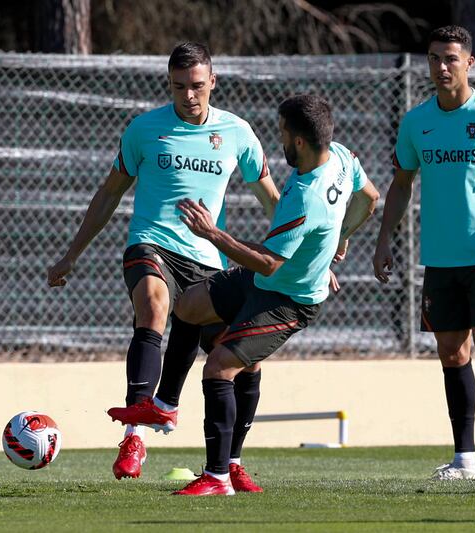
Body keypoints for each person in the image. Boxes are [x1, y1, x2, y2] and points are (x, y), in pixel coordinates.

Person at [47, 42, 279, 480]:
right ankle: (134, 434)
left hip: (208, 261)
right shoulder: (144, 129)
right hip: (151, 246)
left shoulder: (237, 133)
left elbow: (271, 199)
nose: (188, 96)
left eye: (196, 86)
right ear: (168, 84)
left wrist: (306, 249)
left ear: (213, 81)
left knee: (245, 360)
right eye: (178, 87)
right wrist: (71, 253)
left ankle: (232, 463)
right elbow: (109, 194)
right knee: (153, 305)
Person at [151, 94, 379, 496]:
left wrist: (213, 234)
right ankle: (166, 406)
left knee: (220, 367)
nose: (280, 142)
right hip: (267, 282)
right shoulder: (341, 156)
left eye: (282, 135)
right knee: (187, 305)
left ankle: (219, 475)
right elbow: (370, 198)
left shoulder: (305, 196)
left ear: (300, 142)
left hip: (289, 298)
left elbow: (268, 263)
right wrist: (338, 239)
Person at [373, 25, 475, 481]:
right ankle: (465, 459)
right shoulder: (416, 122)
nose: (441, 67)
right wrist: (384, 237)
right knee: (452, 352)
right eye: (433, 58)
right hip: (440, 259)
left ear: (469, 63)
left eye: (450, 58)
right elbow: (402, 183)